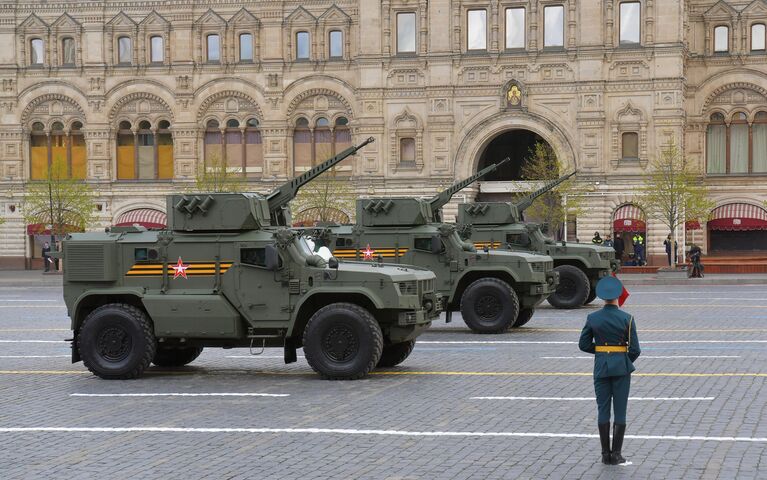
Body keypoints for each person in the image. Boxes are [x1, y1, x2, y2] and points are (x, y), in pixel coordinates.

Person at [579, 276, 641, 465]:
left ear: (602, 297)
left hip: (600, 368)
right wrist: (622, 360)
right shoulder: (627, 318)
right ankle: (617, 454)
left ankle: (605, 454)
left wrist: (600, 354)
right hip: (621, 368)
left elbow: (583, 344)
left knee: (603, 410)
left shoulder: (593, 318)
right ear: (617, 296)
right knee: (620, 410)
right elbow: (635, 349)